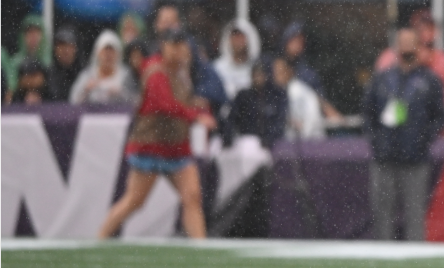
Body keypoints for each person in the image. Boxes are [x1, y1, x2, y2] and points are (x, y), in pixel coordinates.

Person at [97, 28, 217, 239]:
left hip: (177, 146)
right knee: (135, 201)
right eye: (173, 45)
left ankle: (201, 248)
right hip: (150, 146)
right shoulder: (154, 71)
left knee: (192, 197)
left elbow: (194, 96)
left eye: (181, 44)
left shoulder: (185, 70)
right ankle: (101, 236)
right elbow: (164, 105)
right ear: (164, 47)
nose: (178, 50)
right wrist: (196, 116)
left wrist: (199, 108)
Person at [361, 28, 444, 241]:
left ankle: (416, 259)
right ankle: (383, 258)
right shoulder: (382, 79)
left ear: (418, 47)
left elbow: (440, 116)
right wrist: (377, 141)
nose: (407, 47)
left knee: (415, 214)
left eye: (411, 42)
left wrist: (423, 139)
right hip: (385, 156)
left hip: (415, 159)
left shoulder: (430, 81)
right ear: (396, 47)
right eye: (403, 42)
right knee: (383, 214)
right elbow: (368, 113)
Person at [281, 21, 341, 119]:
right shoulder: (273, 65)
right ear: (286, 41)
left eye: (301, 41)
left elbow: (320, 100)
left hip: (305, 124)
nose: (298, 45)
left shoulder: (307, 72)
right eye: (295, 40)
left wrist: (335, 117)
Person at [229, 58, 289, 148]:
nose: (258, 78)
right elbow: (232, 119)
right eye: (255, 74)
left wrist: (269, 138)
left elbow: (280, 122)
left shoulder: (278, 95)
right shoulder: (243, 96)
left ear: (268, 75)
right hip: (246, 141)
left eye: (261, 74)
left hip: (271, 143)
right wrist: (229, 136)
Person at [70, 30, 137, 105]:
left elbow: (135, 102)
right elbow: (73, 101)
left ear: (118, 54)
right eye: (105, 51)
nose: (108, 56)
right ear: (97, 53)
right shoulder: (87, 75)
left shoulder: (126, 75)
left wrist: (120, 94)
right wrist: (86, 90)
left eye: (112, 51)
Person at [273, 55, 325, 141]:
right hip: (291, 144)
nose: (276, 76)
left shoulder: (301, 93)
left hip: (310, 143)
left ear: (290, 71)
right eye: (274, 72)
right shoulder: (279, 93)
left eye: (280, 72)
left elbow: (312, 119)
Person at [213, 18, 261, 101]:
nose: (238, 40)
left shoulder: (258, 69)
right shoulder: (217, 68)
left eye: (241, 36)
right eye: (234, 36)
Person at [4, 14, 48, 87]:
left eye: (37, 32)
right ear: (22, 36)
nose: (33, 36)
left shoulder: (51, 62)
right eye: (29, 32)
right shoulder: (14, 63)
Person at [47, 27, 82, 102]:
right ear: (55, 49)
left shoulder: (84, 73)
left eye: (69, 46)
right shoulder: (47, 74)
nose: (65, 51)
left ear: (75, 49)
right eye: (61, 46)